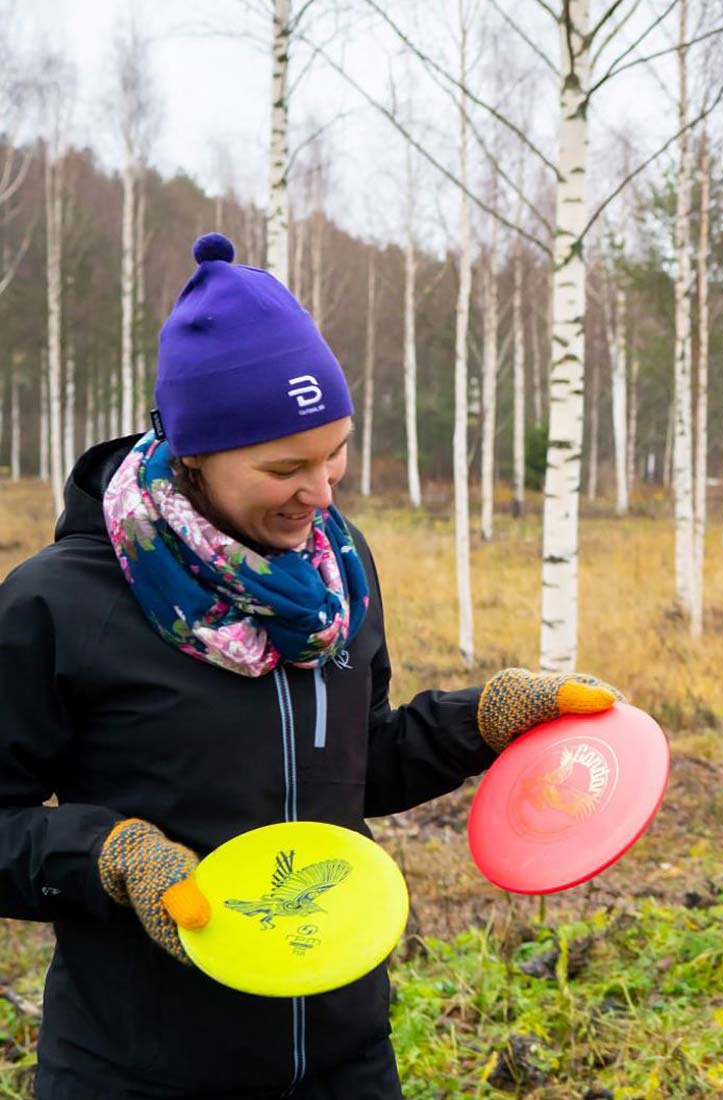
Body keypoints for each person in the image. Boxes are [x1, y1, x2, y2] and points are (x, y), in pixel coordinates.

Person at [0, 233, 625, 1099]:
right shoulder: (58, 606)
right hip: (137, 1067)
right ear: (192, 453)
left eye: (334, 452)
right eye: (284, 467)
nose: (322, 494)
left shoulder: (333, 573)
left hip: (342, 1056)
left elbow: (354, 765)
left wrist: (487, 717)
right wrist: (110, 854)